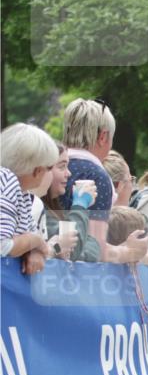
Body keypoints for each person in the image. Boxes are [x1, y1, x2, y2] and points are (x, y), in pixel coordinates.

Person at [61, 98, 117, 258]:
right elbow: (96, 247)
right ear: (103, 137)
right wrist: (132, 252)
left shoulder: (49, 167)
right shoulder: (97, 176)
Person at [1, 123, 57, 274]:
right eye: (48, 168)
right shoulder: (7, 181)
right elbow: (3, 245)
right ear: (37, 170)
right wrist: (35, 241)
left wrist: (35, 250)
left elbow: (31, 236)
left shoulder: (22, 194)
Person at [41, 143, 100, 262]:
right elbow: (71, 250)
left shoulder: (53, 209)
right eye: (62, 167)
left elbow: (93, 247)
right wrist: (80, 205)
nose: (69, 173)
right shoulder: (34, 208)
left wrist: (75, 252)